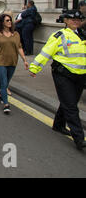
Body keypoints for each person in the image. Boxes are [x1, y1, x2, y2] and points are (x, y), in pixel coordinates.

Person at [29, 10, 86, 151]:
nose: (76, 22)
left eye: (78, 20)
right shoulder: (59, 35)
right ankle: (79, 138)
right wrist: (34, 67)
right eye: (73, 20)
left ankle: (58, 125)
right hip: (63, 74)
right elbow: (46, 52)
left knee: (68, 102)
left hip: (80, 75)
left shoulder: (83, 34)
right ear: (65, 20)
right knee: (71, 106)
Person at [0, 14, 29, 114]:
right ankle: (6, 104)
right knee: (3, 82)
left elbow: (19, 47)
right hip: (1, 61)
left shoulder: (16, 34)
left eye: (10, 20)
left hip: (13, 61)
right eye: (7, 20)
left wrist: (24, 60)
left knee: (6, 82)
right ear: (2, 22)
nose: (10, 22)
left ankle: (1, 95)